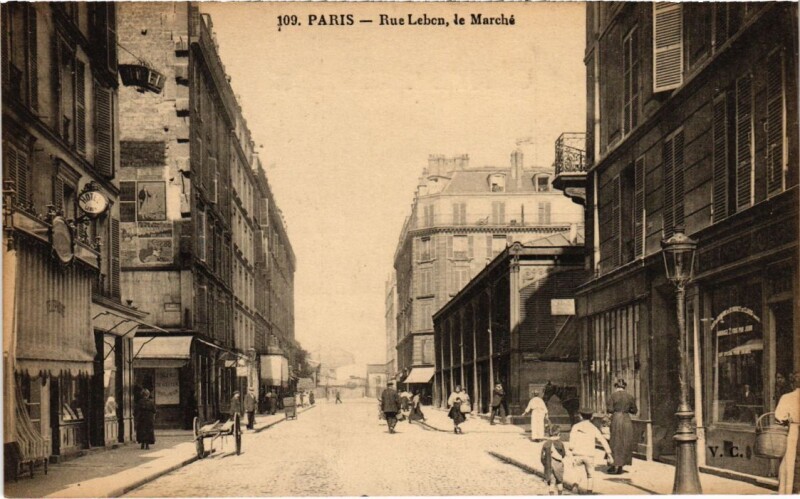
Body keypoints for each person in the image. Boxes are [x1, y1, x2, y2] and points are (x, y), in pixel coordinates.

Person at [569, 408, 613, 494]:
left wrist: (571, 448)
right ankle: (589, 493)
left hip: (577, 454)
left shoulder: (575, 427)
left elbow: (571, 444)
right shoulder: (593, 428)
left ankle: (575, 486)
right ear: (592, 417)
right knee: (590, 476)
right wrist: (609, 453)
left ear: (580, 417)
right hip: (589, 455)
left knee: (577, 473)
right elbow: (602, 440)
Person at [775, 371, 800, 494]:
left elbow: (779, 416)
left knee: (791, 464)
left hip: (794, 432)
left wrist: (787, 419)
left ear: (792, 384)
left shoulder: (787, 397)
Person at [606, 378, 637, 474]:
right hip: (626, 420)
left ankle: (612, 465)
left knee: (614, 441)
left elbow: (610, 409)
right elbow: (634, 411)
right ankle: (620, 467)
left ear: (616, 386)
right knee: (625, 442)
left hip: (616, 419)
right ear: (624, 387)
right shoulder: (630, 396)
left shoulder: (613, 396)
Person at [540, 425, 566, 495]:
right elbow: (563, 454)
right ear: (558, 434)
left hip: (548, 465)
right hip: (558, 465)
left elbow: (542, 457)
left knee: (552, 482)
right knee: (559, 482)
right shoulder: (560, 444)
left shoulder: (546, 444)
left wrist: (545, 464)